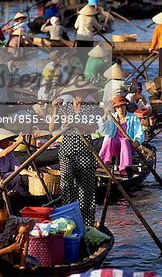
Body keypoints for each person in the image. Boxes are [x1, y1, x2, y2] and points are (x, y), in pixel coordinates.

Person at [49, 78, 101, 226]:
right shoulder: (65, 107)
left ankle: (86, 224)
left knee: (86, 191)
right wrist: (55, 109)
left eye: (82, 91)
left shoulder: (90, 106)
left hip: (85, 151)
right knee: (66, 185)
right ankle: (68, 222)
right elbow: (52, 127)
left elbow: (94, 127)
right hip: (67, 150)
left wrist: (76, 123)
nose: (80, 94)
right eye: (77, 91)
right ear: (72, 92)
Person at [0, 197, 35, 267]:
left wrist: (25, 231)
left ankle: (22, 265)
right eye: (3, 210)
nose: (7, 211)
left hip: (9, 255)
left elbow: (31, 221)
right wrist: (10, 248)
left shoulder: (10, 220)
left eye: (6, 208)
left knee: (22, 228)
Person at [98, 95, 145, 176]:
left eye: (122, 106)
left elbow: (140, 132)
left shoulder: (133, 118)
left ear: (125, 106)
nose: (120, 109)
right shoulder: (112, 117)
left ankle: (125, 167)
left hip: (127, 146)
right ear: (115, 108)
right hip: (114, 146)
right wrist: (105, 116)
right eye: (118, 107)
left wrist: (137, 141)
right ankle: (102, 163)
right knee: (110, 139)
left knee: (124, 141)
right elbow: (102, 129)